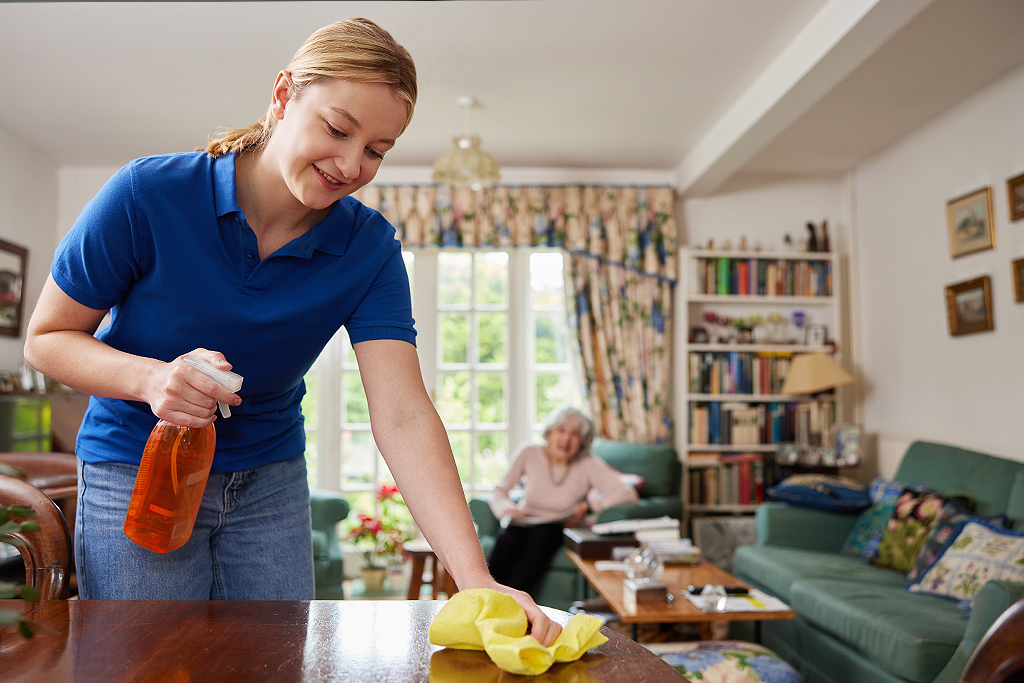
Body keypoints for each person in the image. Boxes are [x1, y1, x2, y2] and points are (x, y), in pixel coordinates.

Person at [23, 17, 560, 645]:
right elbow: (47, 338)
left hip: (268, 481)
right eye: (337, 129)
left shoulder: (368, 248)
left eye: (377, 151)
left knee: (274, 663)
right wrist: (150, 378)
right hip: (136, 471)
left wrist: (475, 578)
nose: (351, 164)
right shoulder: (149, 196)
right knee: (151, 662)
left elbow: (404, 414)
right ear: (283, 96)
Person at [487, 407, 638, 592]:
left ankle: (515, 606)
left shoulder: (588, 463)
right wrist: (507, 508)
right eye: (561, 430)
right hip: (524, 520)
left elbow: (627, 493)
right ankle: (485, 598)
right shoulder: (529, 453)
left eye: (575, 434)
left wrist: (589, 506)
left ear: (582, 441)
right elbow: (499, 491)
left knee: (541, 537)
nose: (566, 439)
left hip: (558, 526)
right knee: (509, 537)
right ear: (549, 432)